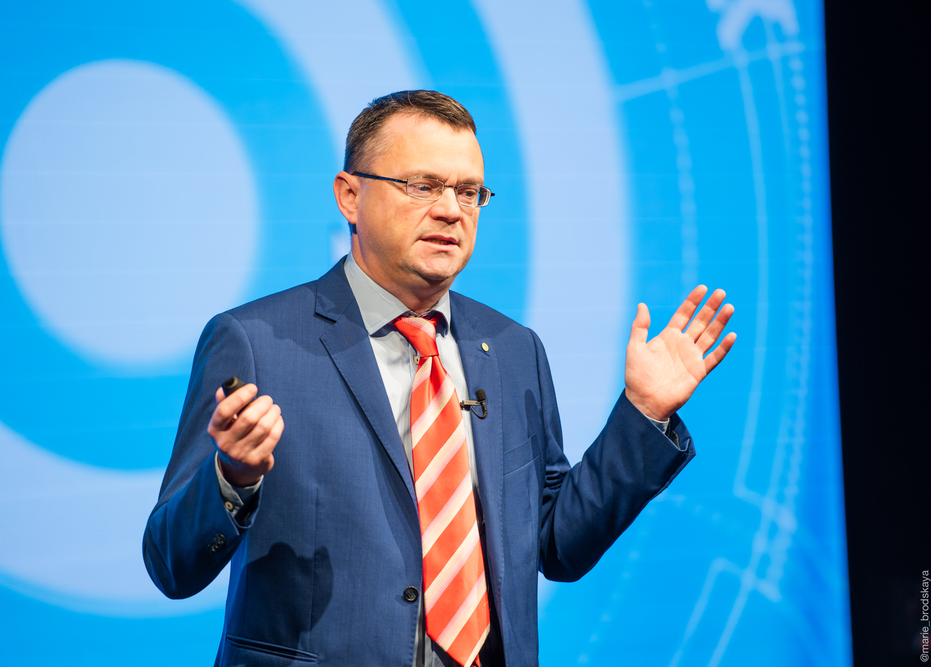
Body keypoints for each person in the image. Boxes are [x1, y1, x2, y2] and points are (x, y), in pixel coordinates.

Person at [143, 90, 735, 667]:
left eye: (469, 191)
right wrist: (233, 477)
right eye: (422, 185)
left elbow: (558, 544)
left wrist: (643, 413)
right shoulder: (256, 341)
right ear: (350, 196)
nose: (451, 210)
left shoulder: (513, 349)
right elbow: (171, 564)